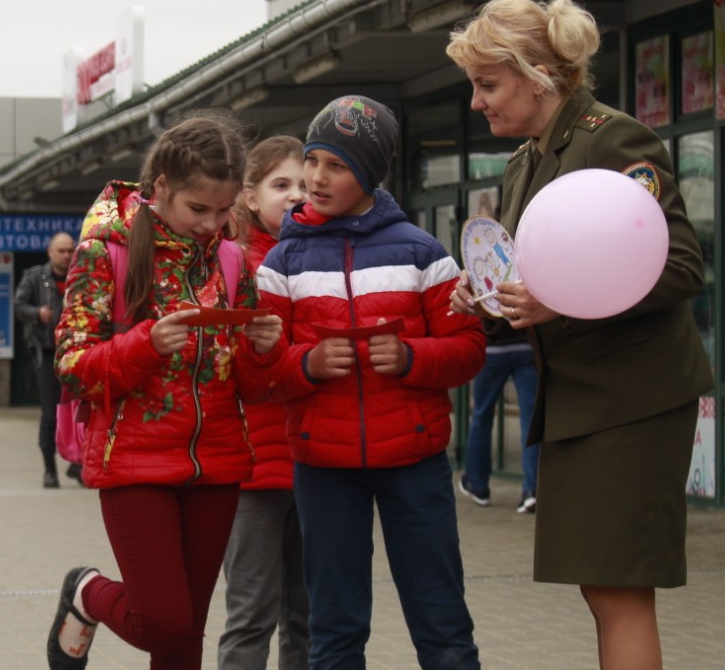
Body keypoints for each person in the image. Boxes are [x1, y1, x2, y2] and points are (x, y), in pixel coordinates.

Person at [446, 0, 711, 670]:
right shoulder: (522, 162)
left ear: (536, 73)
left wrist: (556, 305)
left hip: (633, 401)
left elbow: (680, 266)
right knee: (603, 588)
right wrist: (486, 299)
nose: (478, 102)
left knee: (620, 591)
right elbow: (543, 278)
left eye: (487, 83)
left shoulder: (612, 137)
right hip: (580, 402)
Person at [46, 111, 285, 670]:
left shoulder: (232, 260)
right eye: (198, 208)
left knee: (186, 638)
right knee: (165, 623)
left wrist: (262, 348)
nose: (213, 223)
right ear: (160, 190)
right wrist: (145, 345)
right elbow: (72, 365)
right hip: (134, 463)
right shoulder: (105, 253)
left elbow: (253, 387)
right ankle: (86, 592)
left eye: (225, 210)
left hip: (218, 464)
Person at [260, 96, 485, 669]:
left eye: (335, 165)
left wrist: (411, 356)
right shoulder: (281, 264)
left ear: (369, 172)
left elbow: (467, 352)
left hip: (416, 461)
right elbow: (257, 372)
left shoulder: (424, 252)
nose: (315, 177)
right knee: (334, 632)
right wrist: (305, 365)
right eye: (313, 160)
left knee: (443, 626)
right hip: (322, 469)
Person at [219, 135, 310, 670]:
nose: (296, 195)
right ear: (250, 197)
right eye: (281, 185)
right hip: (253, 471)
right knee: (251, 614)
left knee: (309, 618)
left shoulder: (324, 258)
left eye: (303, 184)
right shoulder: (230, 264)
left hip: (318, 464)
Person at [14, 231, 80, 488]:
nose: (66, 256)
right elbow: (19, 305)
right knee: (51, 414)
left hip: (77, 354)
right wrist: (37, 313)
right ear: (50, 252)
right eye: (61, 251)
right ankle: (49, 469)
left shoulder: (83, 276)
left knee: (79, 413)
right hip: (47, 353)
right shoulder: (34, 276)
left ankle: (77, 464)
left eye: (70, 250)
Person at [457, 318, 539, 513]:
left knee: (481, 417)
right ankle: (531, 490)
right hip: (525, 344)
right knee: (530, 421)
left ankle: (478, 485)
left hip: (491, 348)